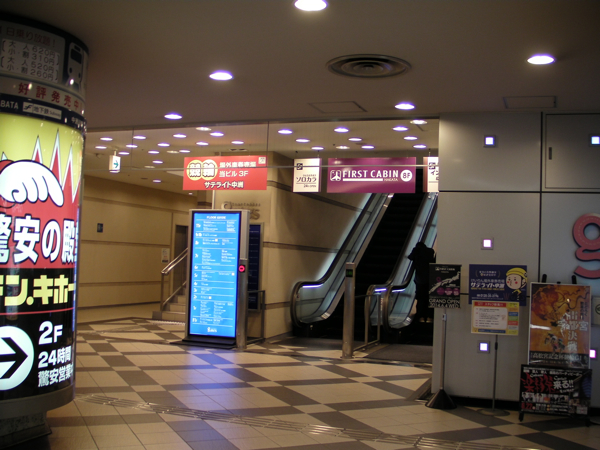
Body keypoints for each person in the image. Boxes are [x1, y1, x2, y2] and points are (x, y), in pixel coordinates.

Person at [408, 241, 436, 323]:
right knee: (429, 298)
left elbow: (410, 257)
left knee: (420, 299)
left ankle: (421, 317)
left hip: (420, 280)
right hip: (430, 279)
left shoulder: (416, 250)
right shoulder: (430, 251)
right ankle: (430, 317)